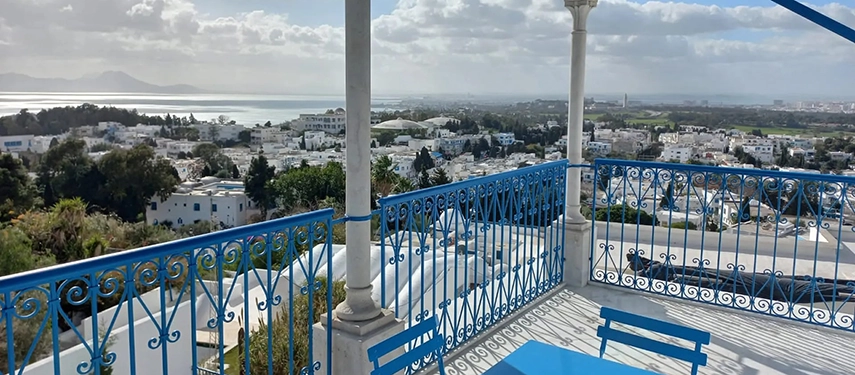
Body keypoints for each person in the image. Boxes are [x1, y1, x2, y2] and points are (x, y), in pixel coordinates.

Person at [625, 252, 855, 304]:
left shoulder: (670, 271)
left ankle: (847, 290)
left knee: (807, 286)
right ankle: (847, 292)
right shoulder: (669, 274)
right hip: (752, 286)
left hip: (751, 283)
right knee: (807, 289)